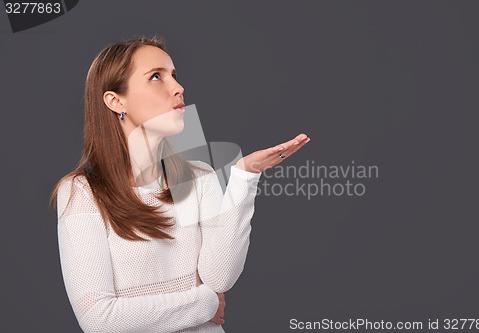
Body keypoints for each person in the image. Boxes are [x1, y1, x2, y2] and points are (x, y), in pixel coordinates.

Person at [50, 35, 310, 333]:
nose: (178, 87)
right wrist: (206, 304)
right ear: (115, 100)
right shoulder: (83, 192)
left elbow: (220, 278)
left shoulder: (196, 175)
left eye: (174, 75)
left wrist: (244, 176)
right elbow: (99, 319)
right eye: (156, 77)